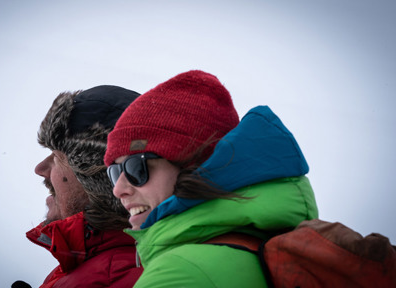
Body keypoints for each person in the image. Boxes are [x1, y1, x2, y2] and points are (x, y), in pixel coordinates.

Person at [103, 70, 318, 287]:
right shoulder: (256, 246)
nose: (118, 189)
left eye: (135, 167)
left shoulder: (181, 274)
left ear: (193, 166)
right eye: (114, 172)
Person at [22, 86, 143, 288]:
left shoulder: (118, 278)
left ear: (99, 185)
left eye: (58, 158)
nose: (40, 168)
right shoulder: (89, 263)